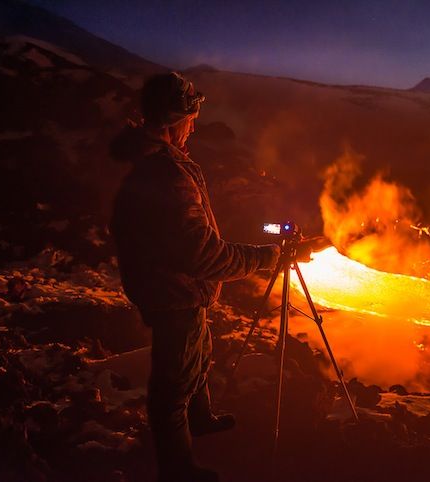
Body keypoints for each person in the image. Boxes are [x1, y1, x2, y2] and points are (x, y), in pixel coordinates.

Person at [109, 72, 280, 482]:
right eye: (190, 117)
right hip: (173, 292)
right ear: (171, 120)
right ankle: (178, 468)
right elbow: (202, 254)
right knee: (173, 382)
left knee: (197, 355)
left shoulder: (158, 165)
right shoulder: (167, 177)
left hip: (175, 288)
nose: (195, 125)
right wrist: (262, 259)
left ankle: (199, 419)